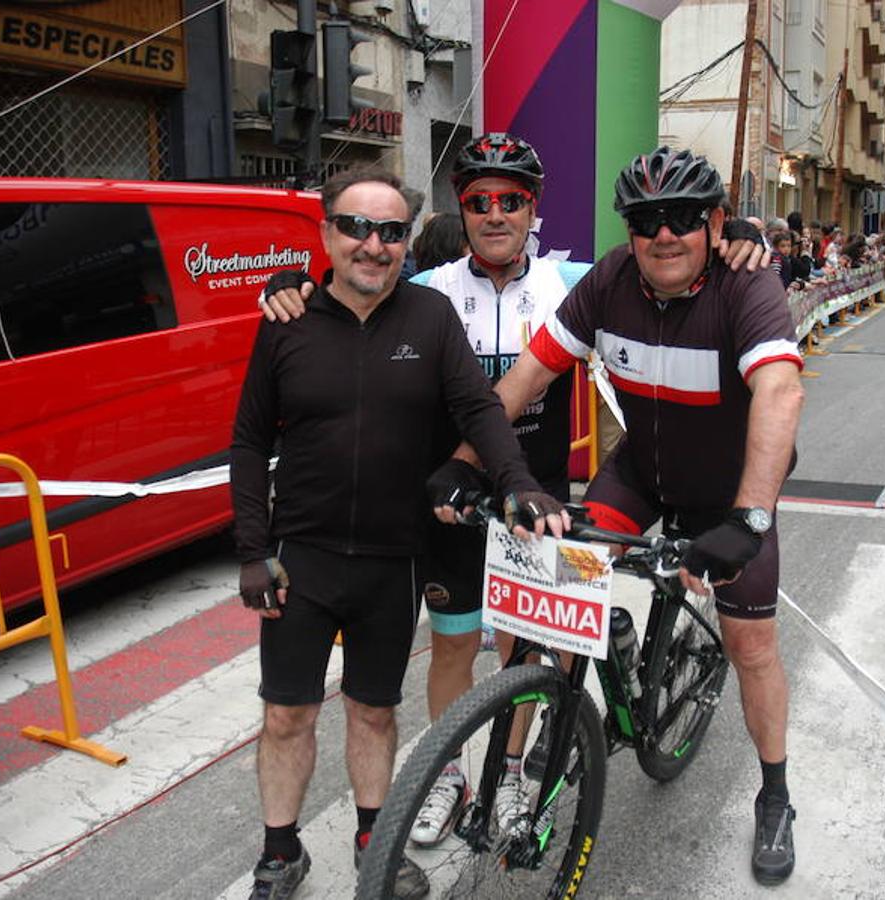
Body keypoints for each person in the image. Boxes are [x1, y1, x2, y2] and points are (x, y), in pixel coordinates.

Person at [255, 134, 769, 844]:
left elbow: (666, 254)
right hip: (454, 500)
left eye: (512, 200)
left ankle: (509, 771)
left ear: (534, 208)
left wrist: (736, 235)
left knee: (525, 653)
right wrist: (293, 281)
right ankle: (449, 777)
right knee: (453, 648)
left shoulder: (574, 281)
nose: (496, 214)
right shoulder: (429, 291)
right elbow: (355, 283)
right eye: (478, 201)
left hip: (538, 498)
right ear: (459, 210)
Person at [434, 147, 804, 886]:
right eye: (644, 221)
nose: (662, 235)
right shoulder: (608, 280)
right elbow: (527, 375)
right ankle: (570, 706)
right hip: (640, 474)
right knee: (562, 587)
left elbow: (780, 393)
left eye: (681, 219)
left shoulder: (744, 285)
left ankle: (775, 793)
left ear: (714, 223)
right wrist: (466, 463)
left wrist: (750, 520)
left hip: (726, 492)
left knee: (751, 644)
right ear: (627, 230)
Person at [230, 167, 566, 900]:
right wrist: (252, 550)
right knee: (286, 713)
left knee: (374, 711)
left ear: (405, 242)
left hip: (393, 558)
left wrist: (519, 483)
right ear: (326, 235)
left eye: (389, 232)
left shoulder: (428, 316)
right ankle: (281, 852)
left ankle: (373, 840)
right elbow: (251, 440)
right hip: (301, 557)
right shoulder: (287, 319)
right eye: (355, 227)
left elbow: (480, 412)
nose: (372, 245)